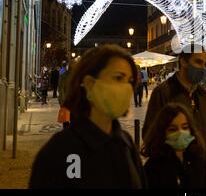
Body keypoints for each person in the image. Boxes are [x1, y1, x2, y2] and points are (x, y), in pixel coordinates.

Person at [29, 45, 146, 188]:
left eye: (129, 80)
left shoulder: (126, 144)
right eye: (118, 78)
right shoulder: (60, 150)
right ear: (90, 84)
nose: (127, 88)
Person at [142, 44, 206, 186]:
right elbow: (149, 133)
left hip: (202, 171)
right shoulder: (164, 92)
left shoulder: (201, 94)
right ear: (183, 61)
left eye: (204, 63)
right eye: (198, 62)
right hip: (174, 174)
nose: (202, 67)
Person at [142, 103, 206, 188]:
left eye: (185, 127)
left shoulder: (200, 162)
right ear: (162, 132)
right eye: (173, 129)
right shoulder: (152, 168)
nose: (180, 132)